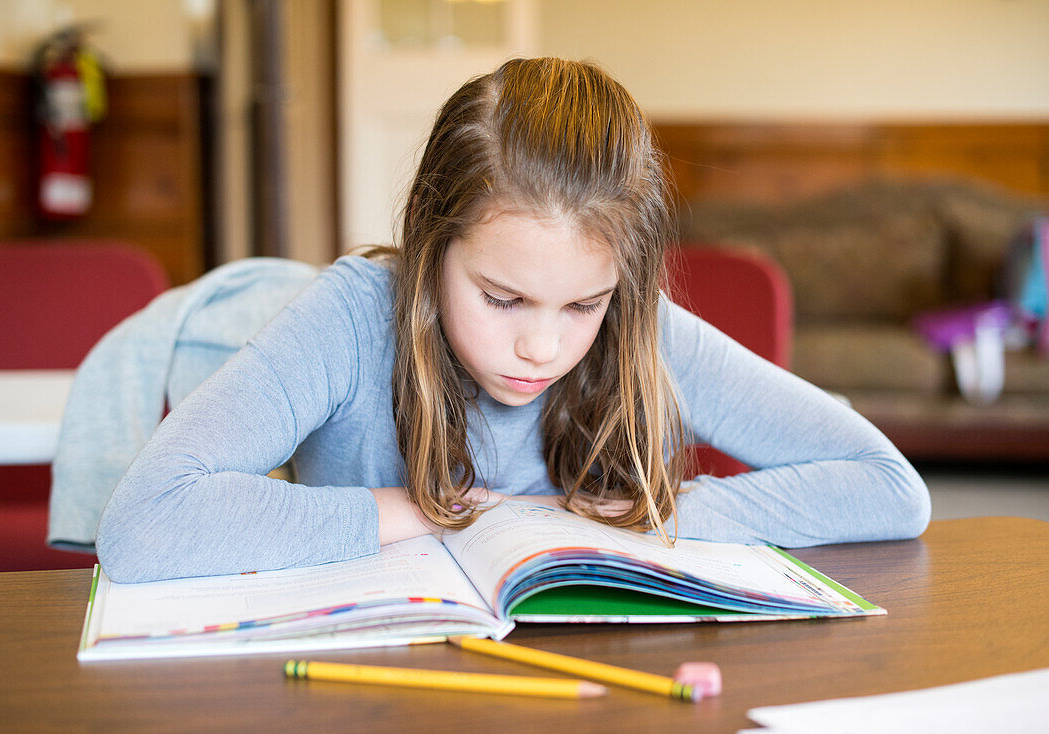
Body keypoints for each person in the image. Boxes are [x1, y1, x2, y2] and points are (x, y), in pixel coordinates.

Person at [96, 58, 930, 583]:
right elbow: (143, 523)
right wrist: (420, 509)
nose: (542, 346)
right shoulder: (351, 318)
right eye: (501, 299)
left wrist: (656, 514)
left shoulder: (645, 331)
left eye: (584, 306)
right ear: (431, 242)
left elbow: (891, 490)